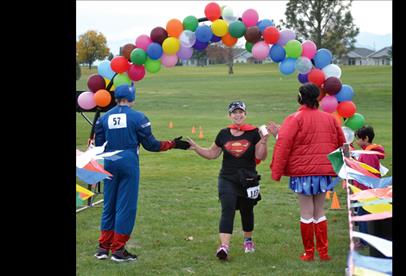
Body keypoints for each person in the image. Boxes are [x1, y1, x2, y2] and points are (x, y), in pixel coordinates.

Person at [92, 84, 190, 262]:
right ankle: (119, 250)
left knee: (109, 205)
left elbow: (98, 147)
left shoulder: (104, 118)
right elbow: (151, 145)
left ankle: (103, 248)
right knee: (125, 207)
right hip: (128, 163)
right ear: (131, 98)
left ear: (115, 98)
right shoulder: (138, 117)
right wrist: (172, 144)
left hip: (108, 163)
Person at [270, 83, 345, 261]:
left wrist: (276, 172)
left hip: (303, 173)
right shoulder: (330, 119)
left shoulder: (294, 118)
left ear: (300, 97)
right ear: (318, 98)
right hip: (323, 172)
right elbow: (341, 144)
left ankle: (309, 253)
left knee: (306, 213)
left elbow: (283, 145)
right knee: (319, 211)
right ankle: (324, 252)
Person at [187, 101, 269, 260]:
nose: (238, 115)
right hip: (227, 178)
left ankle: (248, 241)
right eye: (234, 112)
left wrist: (264, 141)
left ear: (245, 114)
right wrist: (196, 147)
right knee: (228, 209)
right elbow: (212, 154)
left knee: (247, 211)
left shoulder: (254, 133)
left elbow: (260, 156)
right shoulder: (223, 133)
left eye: (241, 112)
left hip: (248, 179)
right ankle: (224, 246)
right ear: (229, 115)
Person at [351, 126, 385, 249]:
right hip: (367, 190)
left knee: (363, 217)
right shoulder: (367, 152)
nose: (357, 142)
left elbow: (368, 175)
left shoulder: (368, 154)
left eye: (358, 139)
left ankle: (365, 242)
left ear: (365, 138)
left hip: (367, 191)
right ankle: (366, 241)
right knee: (362, 215)